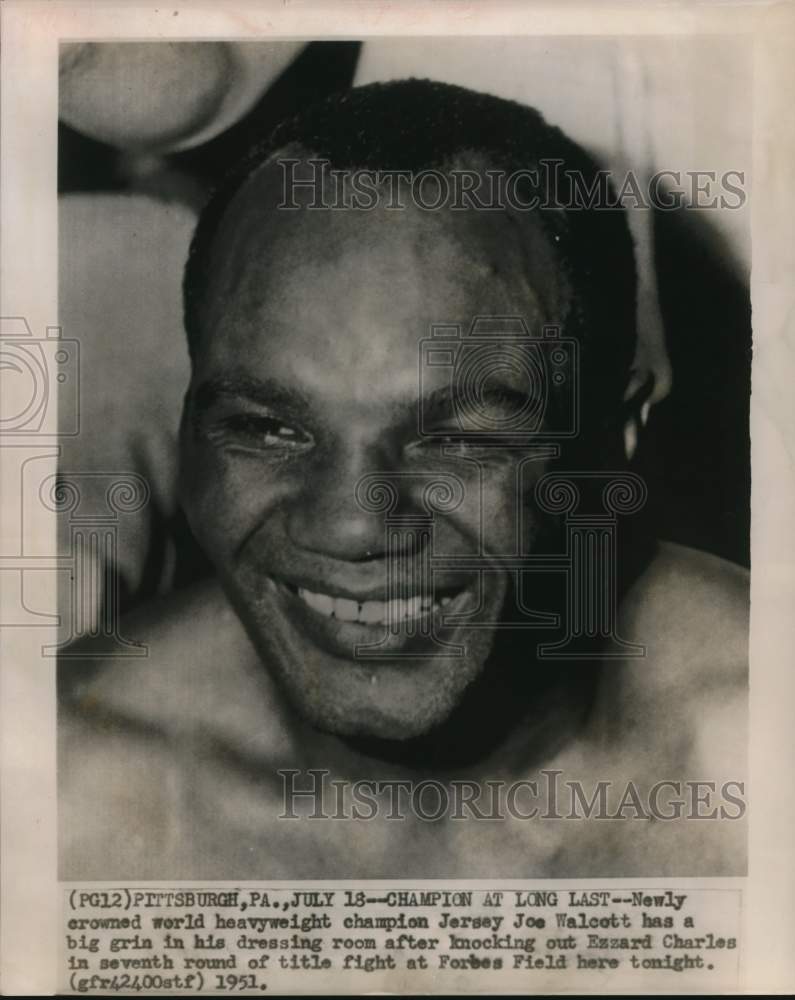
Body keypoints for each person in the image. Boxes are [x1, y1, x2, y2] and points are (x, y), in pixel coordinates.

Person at [58, 80, 748, 879]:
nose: (351, 526)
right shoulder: (66, 788)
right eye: (267, 428)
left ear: (613, 438)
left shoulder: (756, 757)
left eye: (454, 439)